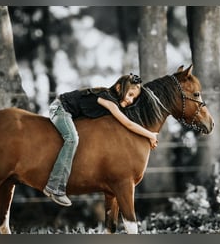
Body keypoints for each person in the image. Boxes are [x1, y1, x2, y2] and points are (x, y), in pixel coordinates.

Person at [43, 74, 159, 206]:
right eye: (130, 94)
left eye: (134, 98)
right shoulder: (107, 99)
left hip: (70, 113)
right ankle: (54, 186)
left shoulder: (113, 101)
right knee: (72, 139)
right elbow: (128, 124)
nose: (131, 100)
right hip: (60, 109)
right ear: (119, 87)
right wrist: (150, 135)